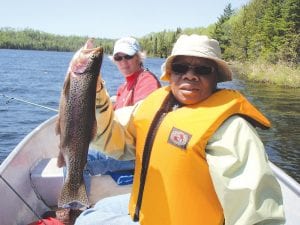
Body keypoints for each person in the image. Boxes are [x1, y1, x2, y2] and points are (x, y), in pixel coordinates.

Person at [75, 34, 285, 225]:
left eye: (203, 69)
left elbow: (257, 213)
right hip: (149, 206)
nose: (190, 75)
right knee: (97, 209)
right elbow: (114, 140)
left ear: (216, 78)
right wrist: (93, 90)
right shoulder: (154, 104)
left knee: (84, 221)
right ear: (170, 72)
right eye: (181, 68)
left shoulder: (232, 128)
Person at [84, 37, 161, 190]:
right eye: (119, 58)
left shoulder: (147, 81)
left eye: (128, 56)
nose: (123, 62)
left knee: (79, 160)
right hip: (121, 146)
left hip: (136, 154)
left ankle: (74, 207)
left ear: (139, 57)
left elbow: (141, 118)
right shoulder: (123, 88)